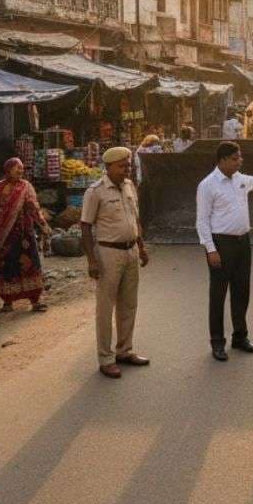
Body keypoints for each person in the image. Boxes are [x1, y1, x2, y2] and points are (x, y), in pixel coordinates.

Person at [194, 141, 253, 360]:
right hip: (221, 244)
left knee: (242, 291)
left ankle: (240, 337)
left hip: (243, 242)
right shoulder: (207, 185)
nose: (240, 161)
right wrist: (210, 249)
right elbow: (202, 220)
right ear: (223, 160)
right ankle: (217, 342)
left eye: (240, 158)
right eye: (235, 158)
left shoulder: (240, 179)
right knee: (218, 294)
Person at [80, 147, 150, 378]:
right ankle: (106, 358)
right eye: (121, 166)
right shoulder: (95, 192)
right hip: (108, 254)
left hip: (130, 252)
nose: (126, 169)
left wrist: (141, 247)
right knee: (105, 308)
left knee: (129, 304)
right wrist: (92, 260)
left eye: (128, 165)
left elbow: (135, 218)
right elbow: (86, 226)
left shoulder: (129, 186)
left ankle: (124, 350)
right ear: (108, 167)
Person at [0, 158, 51, 312]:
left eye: (22, 168)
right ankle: (7, 302)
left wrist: (43, 225)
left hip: (24, 235)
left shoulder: (25, 186)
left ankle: (35, 301)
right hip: (4, 237)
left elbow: (33, 207)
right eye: (17, 168)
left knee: (30, 265)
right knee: (7, 267)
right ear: (8, 169)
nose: (20, 171)